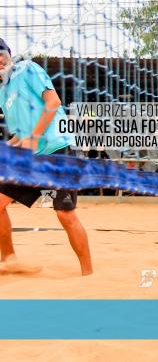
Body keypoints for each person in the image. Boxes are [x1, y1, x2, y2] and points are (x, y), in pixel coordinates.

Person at [0, 39, 92, 275]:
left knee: (65, 214)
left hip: (59, 151)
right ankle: (10, 258)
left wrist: (33, 137)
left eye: (0, 53)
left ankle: (88, 274)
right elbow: (21, 136)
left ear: (8, 53)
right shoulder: (3, 92)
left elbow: (54, 102)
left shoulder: (28, 69)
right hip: (32, 157)